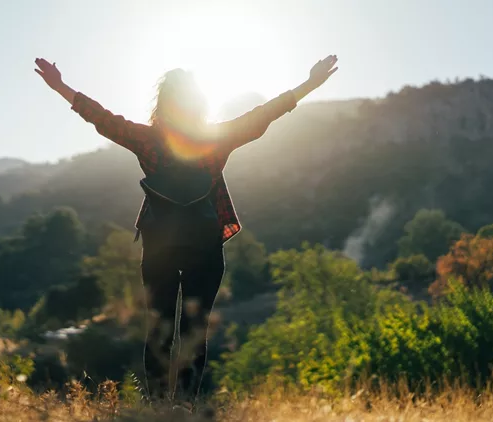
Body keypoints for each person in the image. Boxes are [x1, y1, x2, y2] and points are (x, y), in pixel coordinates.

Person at [34, 54, 338, 402]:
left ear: (162, 104)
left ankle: (159, 407)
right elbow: (263, 114)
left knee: (159, 330)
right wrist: (310, 84)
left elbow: (102, 119)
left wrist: (59, 86)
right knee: (195, 333)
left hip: (160, 246)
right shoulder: (216, 138)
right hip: (206, 245)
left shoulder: (147, 140)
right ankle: (185, 409)